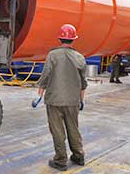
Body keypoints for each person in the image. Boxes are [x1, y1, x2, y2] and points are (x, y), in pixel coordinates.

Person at [37, 24, 87, 171]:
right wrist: (82, 100)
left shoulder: (52, 55)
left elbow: (45, 76)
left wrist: (39, 95)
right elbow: (83, 83)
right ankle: (79, 156)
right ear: (74, 40)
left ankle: (60, 160)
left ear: (59, 38)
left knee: (57, 130)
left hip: (54, 100)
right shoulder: (79, 57)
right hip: (73, 101)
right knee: (74, 128)